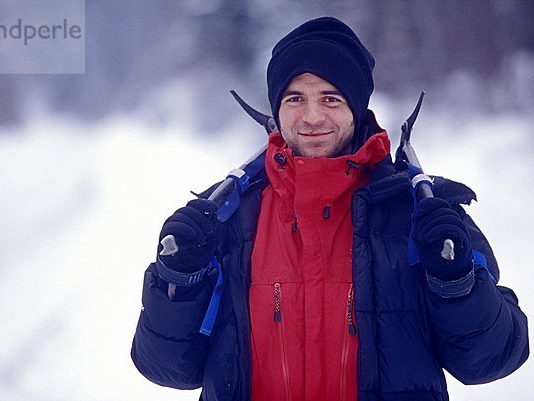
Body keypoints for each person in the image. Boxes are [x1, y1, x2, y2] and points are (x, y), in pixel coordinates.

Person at [131, 17, 529, 401]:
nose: (312, 116)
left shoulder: (420, 214)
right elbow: (167, 368)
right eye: (295, 98)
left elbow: (490, 360)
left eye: (331, 98)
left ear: (357, 108)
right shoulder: (226, 219)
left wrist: (456, 282)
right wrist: (178, 282)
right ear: (278, 108)